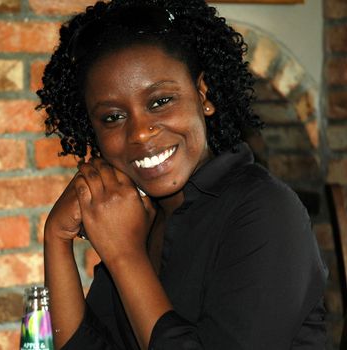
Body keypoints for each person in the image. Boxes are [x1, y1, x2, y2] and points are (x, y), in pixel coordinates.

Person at [36, 0, 328, 349]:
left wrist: (126, 255)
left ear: (203, 95)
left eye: (160, 101)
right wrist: (56, 237)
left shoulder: (264, 210)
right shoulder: (146, 217)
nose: (140, 133)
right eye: (113, 117)